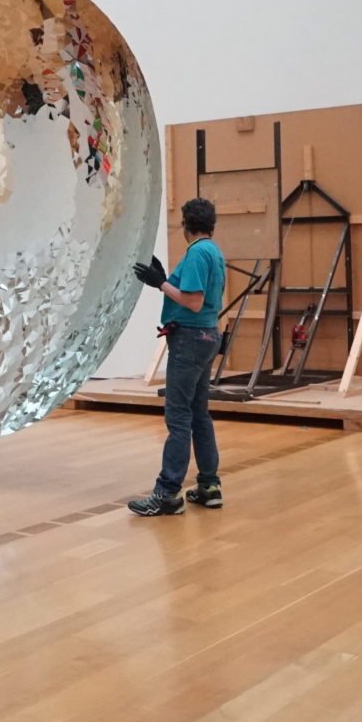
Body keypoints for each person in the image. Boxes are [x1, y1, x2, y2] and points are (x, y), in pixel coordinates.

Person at [128, 197, 226, 516]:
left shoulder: (197, 252)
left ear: (185, 225)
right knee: (198, 414)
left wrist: (160, 284)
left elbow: (193, 301)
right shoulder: (214, 251)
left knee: (179, 417)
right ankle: (209, 485)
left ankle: (167, 493)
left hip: (191, 338)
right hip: (208, 335)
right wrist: (165, 282)